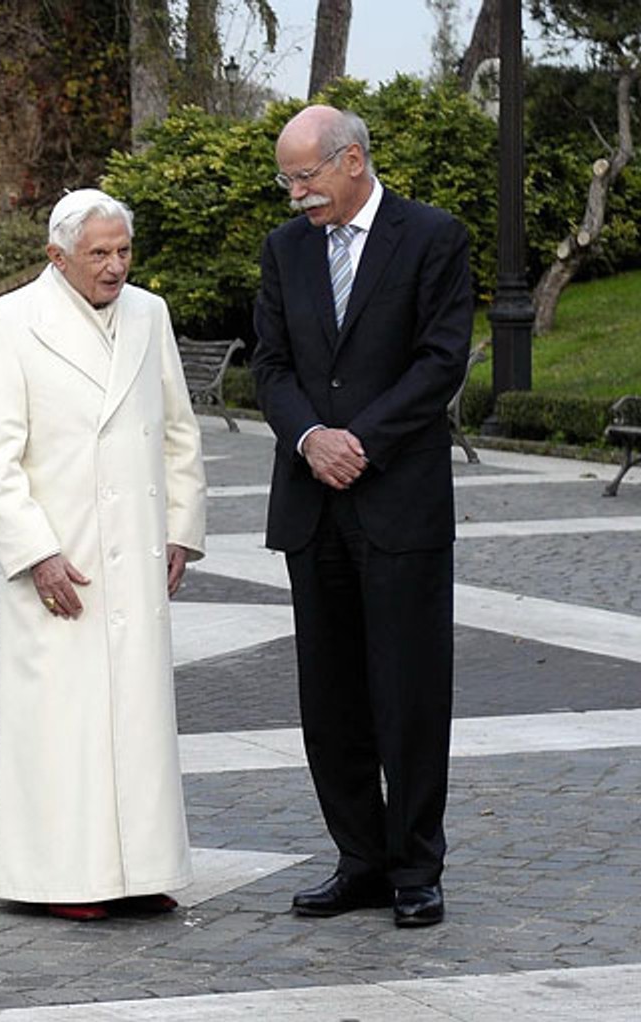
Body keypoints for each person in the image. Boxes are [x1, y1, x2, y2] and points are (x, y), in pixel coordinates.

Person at [252, 105, 473, 928]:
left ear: (353, 162)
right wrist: (311, 437)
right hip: (313, 506)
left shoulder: (433, 237)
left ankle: (417, 866)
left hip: (399, 504)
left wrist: (359, 442)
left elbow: (441, 360)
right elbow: (270, 366)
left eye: (305, 176)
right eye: (288, 179)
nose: (296, 193)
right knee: (332, 695)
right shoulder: (284, 251)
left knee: (410, 690)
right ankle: (360, 859)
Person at [0, 188, 207, 922]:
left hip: (134, 553)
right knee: (61, 726)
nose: (115, 267)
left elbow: (178, 432)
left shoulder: (149, 313)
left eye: (124, 250)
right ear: (57, 256)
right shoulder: (5, 325)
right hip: (59, 559)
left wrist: (181, 529)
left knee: (137, 722)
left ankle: (143, 868)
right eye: (99, 253)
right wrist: (36, 553)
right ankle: (64, 878)